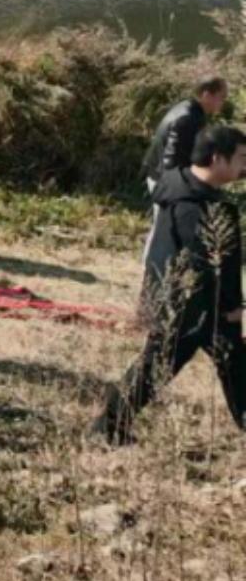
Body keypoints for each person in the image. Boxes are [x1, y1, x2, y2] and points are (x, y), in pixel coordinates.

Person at [96, 125, 246, 445]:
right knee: (155, 369)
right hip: (193, 305)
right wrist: (231, 306)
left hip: (182, 300)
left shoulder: (180, 186)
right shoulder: (197, 206)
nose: (245, 165)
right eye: (242, 158)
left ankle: (107, 427)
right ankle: (106, 427)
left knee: (232, 365)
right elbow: (207, 266)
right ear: (218, 159)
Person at [139, 78, 230, 313]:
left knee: (162, 234)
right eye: (222, 96)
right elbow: (171, 159)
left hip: (165, 179)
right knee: (163, 236)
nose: (223, 102)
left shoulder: (190, 111)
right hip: (166, 182)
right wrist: (178, 190)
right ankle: (152, 289)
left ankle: (156, 288)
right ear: (207, 94)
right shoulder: (187, 117)